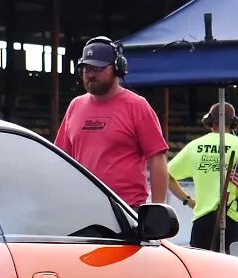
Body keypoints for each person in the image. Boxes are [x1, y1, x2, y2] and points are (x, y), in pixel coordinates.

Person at [53, 36, 169, 208]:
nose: (90, 74)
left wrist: (159, 212)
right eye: (85, 69)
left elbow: (157, 159)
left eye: (97, 68)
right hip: (82, 208)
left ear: (118, 68)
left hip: (126, 210)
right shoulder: (75, 106)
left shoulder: (137, 106)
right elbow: (61, 159)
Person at [167, 102, 238, 252]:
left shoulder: (195, 146)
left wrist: (188, 200)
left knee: (202, 270)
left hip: (203, 220)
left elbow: (166, 175)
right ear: (233, 124)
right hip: (233, 218)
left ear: (210, 122)